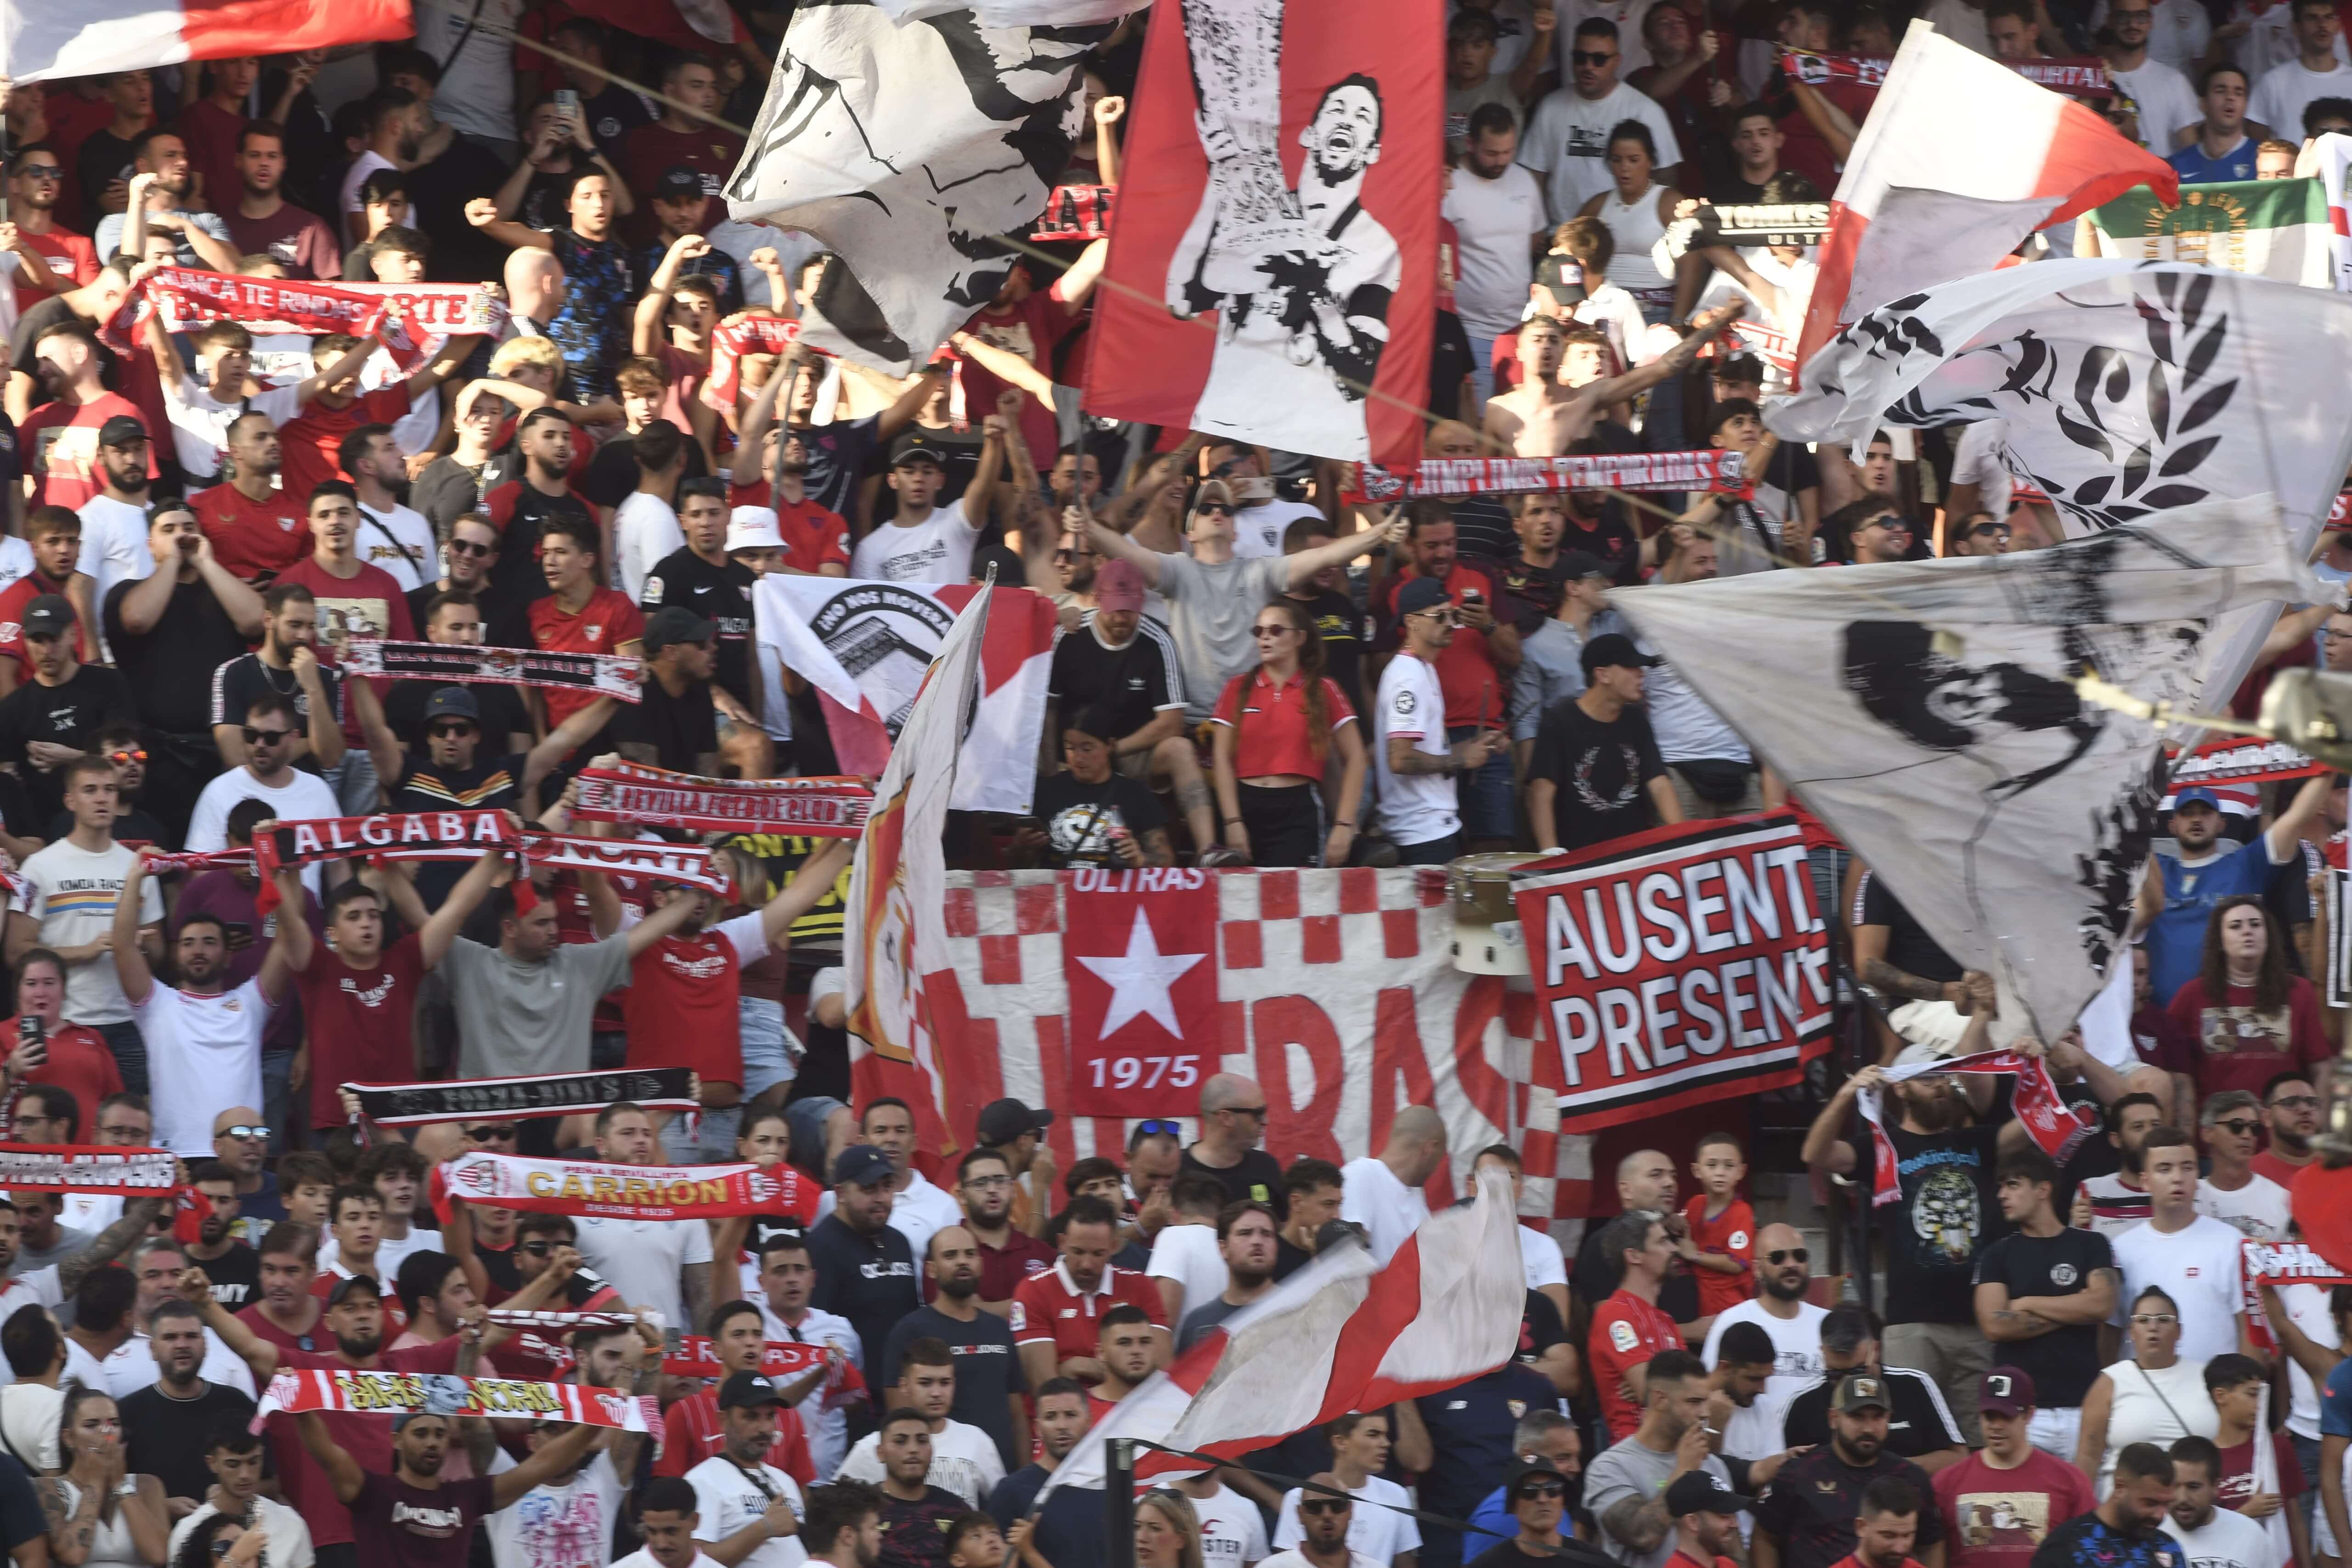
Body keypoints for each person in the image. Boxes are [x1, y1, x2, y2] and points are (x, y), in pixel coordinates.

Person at [1086, 495, 1402, 730]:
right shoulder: (1177, 570)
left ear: (1236, 531)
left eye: (1226, 509)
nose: (1218, 512)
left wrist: (1379, 534)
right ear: (1190, 533)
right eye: (1207, 509)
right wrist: (1087, 527)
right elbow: (1125, 552)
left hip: (1252, 718)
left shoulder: (1259, 571)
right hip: (1193, 723)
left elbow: (1325, 556)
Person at [294, 1397, 601, 1568]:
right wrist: (301, 1407)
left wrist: (596, 1421)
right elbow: (328, 1455)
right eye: (421, 1433)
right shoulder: (372, 1492)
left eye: (440, 1434)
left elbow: (541, 1465)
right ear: (396, 1440)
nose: (432, 1442)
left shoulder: (467, 1496)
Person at [1972, 1149, 2117, 1461]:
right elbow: (1995, 1324)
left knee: (2089, 1506)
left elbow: (2103, 1304)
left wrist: (2027, 1303)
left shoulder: (2091, 1244)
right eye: (2001, 1187)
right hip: (2022, 1414)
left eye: (2012, 1185)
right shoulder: (1997, 1254)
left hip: (2085, 1405)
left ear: (2043, 1189)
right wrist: (2076, 1310)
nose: (2002, 1195)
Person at [1375, 576, 1507, 864]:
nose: (1450, 623)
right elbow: (1401, 760)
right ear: (1412, 622)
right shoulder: (1408, 677)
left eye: (1453, 615)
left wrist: (1473, 746)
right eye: (1440, 616)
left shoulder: (1423, 668)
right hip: (1421, 832)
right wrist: (1460, 760)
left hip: (1432, 827)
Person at [1753, 1376, 1946, 1568]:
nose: (1869, 1428)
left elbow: (1931, 1543)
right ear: (1833, 1419)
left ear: (1889, 1418)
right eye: (1857, 1416)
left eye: (1878, 1417)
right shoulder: (1799, 1473)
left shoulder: (1910, 1478)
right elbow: (1765, 1538)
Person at [2156, 896, 2328, 1108]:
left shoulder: (2300, 991)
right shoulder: (2192, 995)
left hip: (2284, 1133)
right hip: (2217, 1132)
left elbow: (2320, 1067)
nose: (2248, 931)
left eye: (2255, 925)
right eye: (2236, 926)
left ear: (2268, 936)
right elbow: (2172, 1069)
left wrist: (2320, 1125)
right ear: (2220, 941)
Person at [880, 1230, 1029, 1474]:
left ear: (980, 1265)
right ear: (931, 1269)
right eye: (950, 1256)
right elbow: (899, 1417)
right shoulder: (910, 1330)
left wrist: (1023, 1478)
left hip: (1001, 1475)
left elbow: (1017, 1414)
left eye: (970, 1254)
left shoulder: (999, 1329)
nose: (962, 1261)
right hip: (940, 1475)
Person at [1585, 1349, 1740, 1568]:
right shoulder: (1610, 1467)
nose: (1706, 1413)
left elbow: (1732, 1548)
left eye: (1707, 1401)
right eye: (1694, 1402)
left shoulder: (1714, 1466)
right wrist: (1684, 1471)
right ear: (1660, 1399)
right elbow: (1642, 1538)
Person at [1527, 631, 1678, 853]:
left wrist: (1684, 840)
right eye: (1631, 667)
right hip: (1579, 861)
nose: (1641, 674)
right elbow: (1541, 792)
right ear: (1603, 675)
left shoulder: (1637, 719)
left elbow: (1659, 784)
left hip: (1633, 858)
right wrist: (1550, 853)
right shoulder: (1559, 720)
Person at [2109, 1130, 2251, 1364]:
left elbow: (2250, 1329)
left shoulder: (2231, 1242)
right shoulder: (2121, 1249)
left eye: (2187, 1168)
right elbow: (2112, 1331)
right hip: (2143, 1392)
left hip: (2215, 1393)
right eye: (2165, 1169)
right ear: (2145, 1181)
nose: (2178, 1178)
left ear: (2197, 1176)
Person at [1932, 1369, 2093, 1568]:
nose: (1996, 1426)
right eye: (1990, 1417)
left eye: (2006, 1417)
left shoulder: (2069, 1480)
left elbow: (2089, 1552)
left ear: (2029, 1415)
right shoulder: (1947, 1482)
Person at [1777, 1307, 1967, 1468]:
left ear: (1875, 1350)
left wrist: (1885, 1468)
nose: (1847, 1383)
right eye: (1835, 1374)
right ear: (1823, 1354)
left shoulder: (1915, 1385)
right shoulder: (1803, 1404)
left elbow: (1959, 1459)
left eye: (1858, 1371)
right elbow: (1779, 1472)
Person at [1011, 1194, 1165, 1391]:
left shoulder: (1141, 1285)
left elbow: (1161, 1371)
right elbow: (1045, 1386)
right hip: (1068, 1417)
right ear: (1062, 1243)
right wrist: (1125, 1371)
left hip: (1130, 1413)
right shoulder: (1033, 1290)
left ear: (1114, 1247)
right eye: (1078, 1252)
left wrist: (1076, 1367)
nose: (1087, 1264)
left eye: (1098, 1254)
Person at [2075, 1287, 2221, 1494]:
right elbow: (2089, 1455)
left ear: (2179, 1331)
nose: (2153, 1327)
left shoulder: (2206, 1377)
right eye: (2143, 1320)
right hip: (2128, 1511)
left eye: (2163, 1320)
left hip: (2195, 1507)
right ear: (2132, 1332)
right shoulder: (2109, 1381)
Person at [836, 1340, 1006, 1508]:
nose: (937, 1393)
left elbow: (1004, 1504)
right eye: (925, 1383)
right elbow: (834, 1508)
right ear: (904, 1386)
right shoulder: (871, 1447)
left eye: (945, 1383)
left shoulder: (977, 1440)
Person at [1701, 1221, 1827, 1415]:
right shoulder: (1732, 1321)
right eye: (1778, 1258)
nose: (1791, 1264)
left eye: (1800, 1256)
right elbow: (1709, 1389)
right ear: (1757, 1269)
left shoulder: (1827, 1323)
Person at [40, 1384, 171, 1568]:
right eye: (92, 1425)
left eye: (114, 1424)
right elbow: (73, 1555)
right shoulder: (48, 1488)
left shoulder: (147, 1484)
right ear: (69, 1438)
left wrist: (120, 1484)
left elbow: (159, 1556)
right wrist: (95, 1480)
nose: (106, 1432)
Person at [1589, 1210, 1689, 1443]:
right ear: (1634, 1256)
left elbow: (1694, 1386)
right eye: (1663, 1242)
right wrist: (1665, 1386)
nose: (1674, 1249)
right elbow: (1654, 1393)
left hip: (1673, 1452)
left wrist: (1663, 1383)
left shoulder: (1666, 1321)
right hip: (1634, 1459)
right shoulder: (1615, 1315)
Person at [1272, 1412, 1422, 1566]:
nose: (1385, 1443)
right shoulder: (1300, 1498)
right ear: (1341, 1442)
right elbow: (1287, 1562)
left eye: (1385, 1435)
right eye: (1373, 1435)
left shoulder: (1396, 1495)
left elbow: (1405, 1562)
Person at [161, 1422, 313, 1568]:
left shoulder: (290, 1522)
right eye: (233, 1465)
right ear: (212, 1463)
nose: (244, 1475)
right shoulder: (187, 1531)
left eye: (253, 1462)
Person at [2030, 1443, 2181, 1568]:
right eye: (2150, 1503)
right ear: (2120, 1487)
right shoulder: (2066, 1546)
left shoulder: (2168, 1548)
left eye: (2166, 1504)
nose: (2160, 1515)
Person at [1182, 1075, 1289, 1219]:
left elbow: (1282, 1232)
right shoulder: (1175, 1171)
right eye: (1258, 1114)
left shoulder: (1267, 1167)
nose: (1266, 1121)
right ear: (1226, 1118)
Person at [2192, 1091, 2290, 1240]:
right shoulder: (2188, 1196)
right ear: (2207, 1133)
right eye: (2236, 1126)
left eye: (2254, 1128)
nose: (2247, 1135)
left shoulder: (2282, 1200)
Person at [2160, 1437, 2270, 1568]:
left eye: (2193, 1487)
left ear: (2215, 1486)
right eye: (2175, 1486)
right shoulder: (2150, 1535)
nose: (2183, 1498)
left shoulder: (2251, 1535)